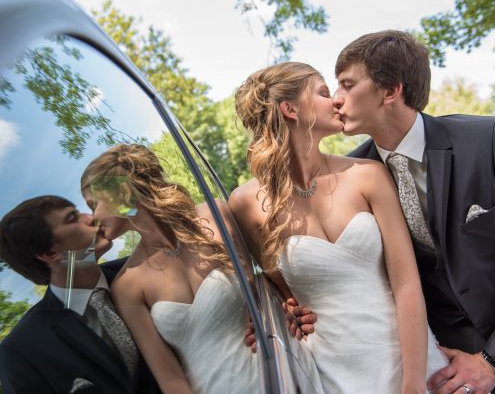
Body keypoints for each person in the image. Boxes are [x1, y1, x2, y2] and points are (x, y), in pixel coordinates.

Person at [230, 61, 448, 393]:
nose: (336, 100)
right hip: (332, 373)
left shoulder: (368, 174)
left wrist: (414, 382)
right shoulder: (245, 204)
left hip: (410, 359)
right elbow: (282, 293)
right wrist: (288, 312)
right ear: (290, 109)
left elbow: (406, 284)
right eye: (322, 92)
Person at [334, 30, 495, 394]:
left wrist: (490, 360)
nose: (335, 99)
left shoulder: (485, 141)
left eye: (347, 85)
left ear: (391, 91)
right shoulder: (351, 176)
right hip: (442, 369)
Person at [80, 143, 258, 394]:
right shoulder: (127, 286)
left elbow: (259, 292)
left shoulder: (215, 214)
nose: (92, 218)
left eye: (92, 204)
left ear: (119, 192)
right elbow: (171, 380)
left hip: (274, 363)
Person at [0, 195, 160, 394]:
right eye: (72, 218)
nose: (92, 217)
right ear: (49, 253)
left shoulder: (147, 266)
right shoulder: (22, 350)